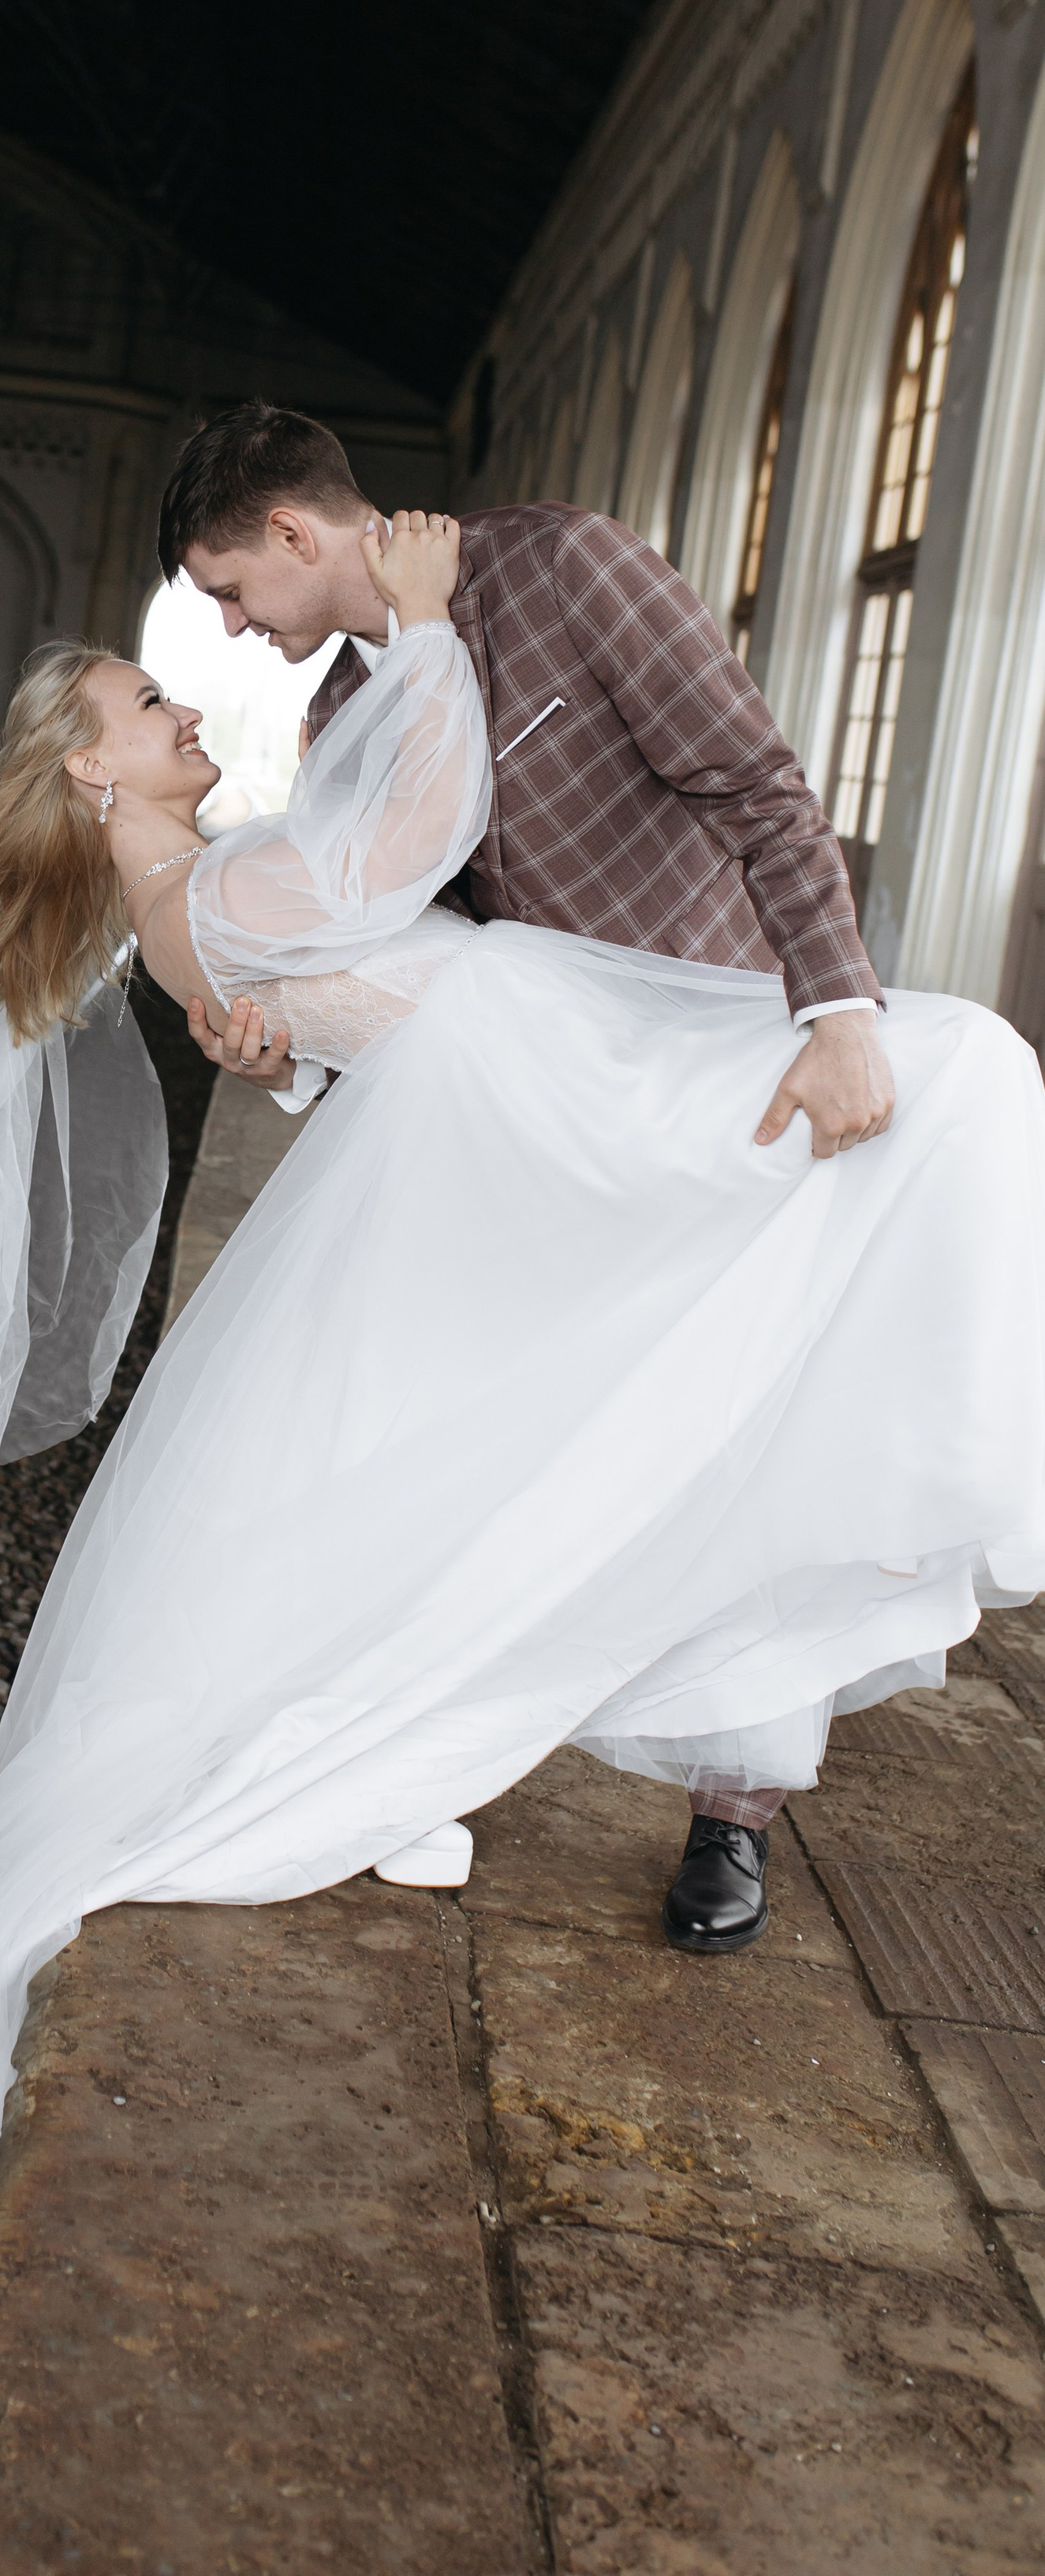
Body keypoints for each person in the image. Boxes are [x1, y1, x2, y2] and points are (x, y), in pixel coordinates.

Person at [0, 516, 1045, 2446]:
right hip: (543, 1092)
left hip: (526, 1081)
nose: (186, 695)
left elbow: (325, 968)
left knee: (926, 1119)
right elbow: (405, 842)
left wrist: (278, 1039)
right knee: (968, 1079)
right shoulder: (202, 885)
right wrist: (415, 632)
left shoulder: (195, 884)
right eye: (151, 699)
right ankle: (422, 1717)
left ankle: (685, 1603)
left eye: (188, 659)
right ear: (91, 773)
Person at [162, 397, 896, 1947]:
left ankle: (730, 1814)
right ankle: (435, 1745)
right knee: (493, 1426)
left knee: (740, 1437)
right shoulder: (348, 698)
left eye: (228, 589)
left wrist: (834, 1015)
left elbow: (754, 785)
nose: (231, 626)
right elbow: (398, 953)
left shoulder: (571, 567)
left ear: (292, 532)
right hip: (535, 1126)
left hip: (727, 1080)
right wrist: (279, 1057)